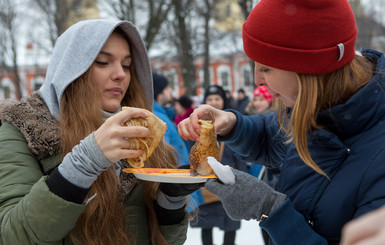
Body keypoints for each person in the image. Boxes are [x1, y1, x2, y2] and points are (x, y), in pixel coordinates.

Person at [177, 0, 385, 244]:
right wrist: (234, 125)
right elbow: (273, 136)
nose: (257, 80)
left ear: (308, 69)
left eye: (266, 68)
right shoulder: (320, 109)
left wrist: (271, 210)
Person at [0, 19, 202, 245]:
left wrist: (169, 204)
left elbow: (165, 241)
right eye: (103, 62)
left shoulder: (140, 135)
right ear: (70, 70)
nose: (120, 75)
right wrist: (83, 163)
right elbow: (12, 236)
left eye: (126, 65)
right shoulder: (25, 132)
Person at [189, 85, 249, 245]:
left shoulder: (233, 125)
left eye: (217, 98)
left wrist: (241, 183)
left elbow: (241, 156)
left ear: (224, 101)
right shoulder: (197, 127)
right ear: (205, 102)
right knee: (205, 226)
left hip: (229, 186)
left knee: (231, 226)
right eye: (210, 99)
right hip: (206, 186)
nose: (214, 102)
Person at [152, 72, 190, 165]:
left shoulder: (163, 114)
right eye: (166, 88)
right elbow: (163, 155)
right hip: (174, 175)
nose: (170, 90)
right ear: (158, 93)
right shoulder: (156, 118)